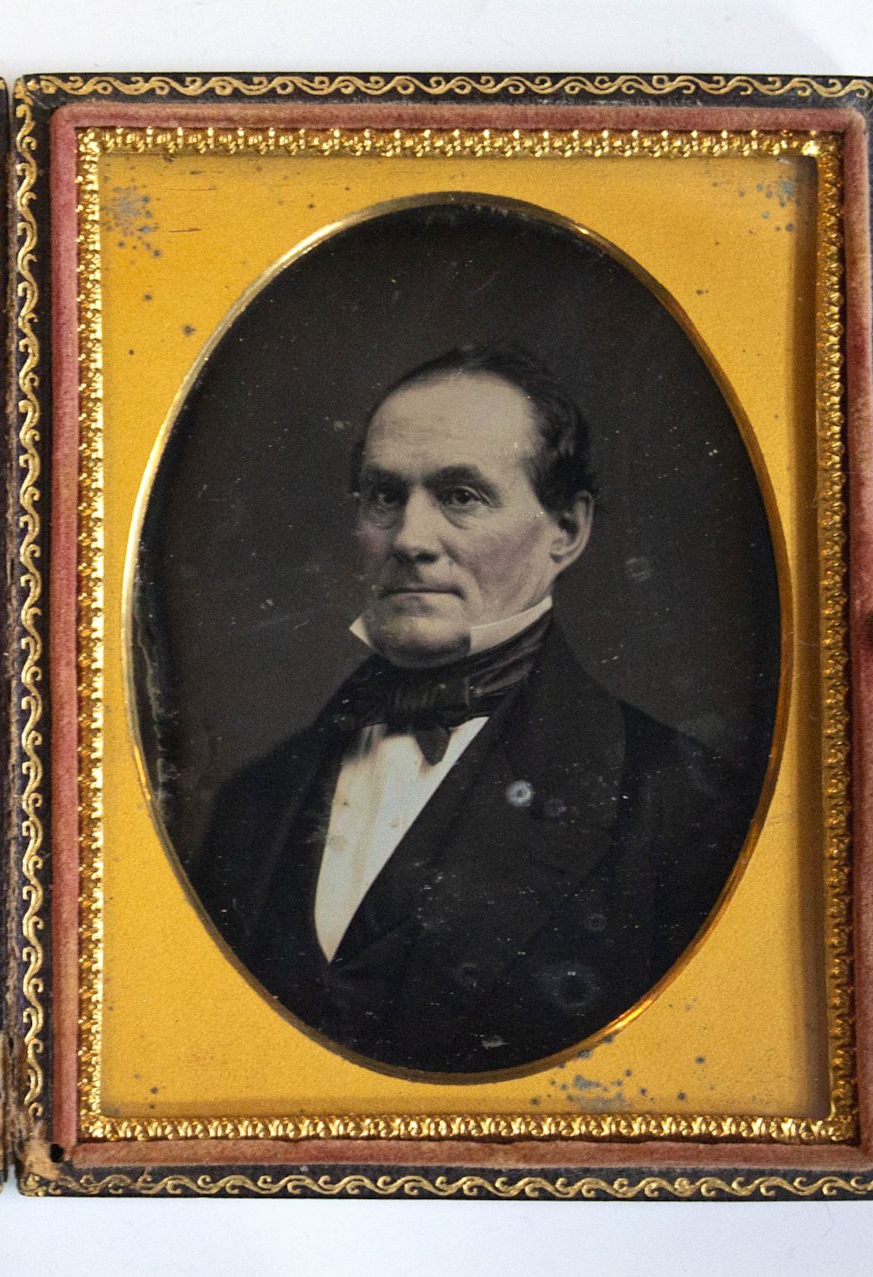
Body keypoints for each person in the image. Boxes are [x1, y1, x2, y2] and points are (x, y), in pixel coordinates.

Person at [189, 342, 756, 1074]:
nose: (409, 540)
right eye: (384, 496)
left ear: (567, 530)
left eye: (460, 496)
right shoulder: (255, 800)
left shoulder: (682, 807)